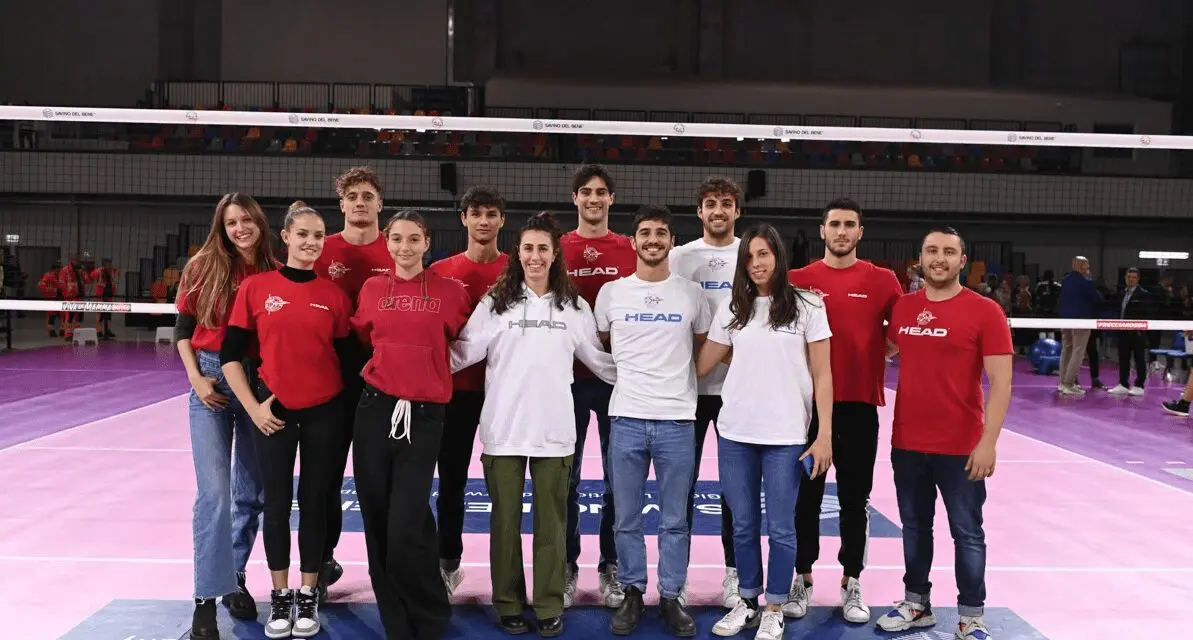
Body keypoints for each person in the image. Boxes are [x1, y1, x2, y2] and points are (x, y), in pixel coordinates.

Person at [450, 212, 617, 637]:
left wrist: (654, 375)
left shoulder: (574, 306)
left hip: (555, 432)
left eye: (543, 248)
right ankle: (507, 602)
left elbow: (600, 363)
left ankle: (546, 604)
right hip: (503, 429)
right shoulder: (495, 303)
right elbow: (462, 353)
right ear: (517, 253)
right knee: (504, 522)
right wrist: (411, 364)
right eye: (528, 248)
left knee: (553, 524)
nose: (535, 256)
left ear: (555, 254)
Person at [220, 202, 354, 639]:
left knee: (314, 502)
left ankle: (309, 594)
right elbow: (229, 357)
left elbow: (345, 357)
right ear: (286, 237)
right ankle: (280, 596)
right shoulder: (257, 288)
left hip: (324, 410)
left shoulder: (335, 296)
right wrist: (254, 408)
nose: (312, 243)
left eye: (318, 236)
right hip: (273, 414)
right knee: (276, 504)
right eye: (303, 235)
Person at [697, 223, 834, 640]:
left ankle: (775, 605)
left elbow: (823, 373)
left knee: (782, 526)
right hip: (736, 431)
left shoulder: (808, 305)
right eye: (750, 257)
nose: (757, 263)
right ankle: (748, 600)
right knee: (741, 524)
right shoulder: (732, 309)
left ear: (777, 257)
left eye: (764, 254)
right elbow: (703, 364)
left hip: (787, 435)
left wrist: (823, 433)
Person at [878, 227, 1012, 640]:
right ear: (919, 258)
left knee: (967, 532)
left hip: (961, 447)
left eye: (948, 252)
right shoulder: (903, 308)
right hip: (908, 443)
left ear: (962, 260)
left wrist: (988, 442)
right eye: (932, 251)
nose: (940, 258)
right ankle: (916, 604)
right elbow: (880, 350)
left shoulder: (985, 311)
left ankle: (971, 614)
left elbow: (1001, 383)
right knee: (915, 527)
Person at [350, 211, 472, 640]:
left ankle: (430, 613)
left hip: (424, 417)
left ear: (427, 243)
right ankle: (395, 618)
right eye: (397, 239)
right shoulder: (372, 288)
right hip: (374, 411)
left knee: (406, 523)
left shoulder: (451, 292)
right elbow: (367, 338)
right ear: (387, 243)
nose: (405, 247)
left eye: (413, 239)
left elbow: (464, 344)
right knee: (377, 518)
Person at [594, 205, 710, 636]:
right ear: (633, 241)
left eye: (661, 233)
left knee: (674, 519)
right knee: (625, 516)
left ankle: (671, 594)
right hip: (625, 418)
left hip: (678, 421)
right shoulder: (612, 293)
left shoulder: (691, 294)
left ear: (671, 242)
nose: (653, 239)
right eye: (645, 232)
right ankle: (632, 592)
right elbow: (603, 341)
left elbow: (702, 345)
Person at [786, 198, 903, 623]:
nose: (841, 231)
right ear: (822, 231)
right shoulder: (797, 280)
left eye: (849, 224)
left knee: (855, 500)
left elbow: (901, 334)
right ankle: (802, 576)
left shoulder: (884, 280)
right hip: (807, 409)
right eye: (834, 224)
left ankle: (852, 580)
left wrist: (877, 353)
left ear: (860, 232)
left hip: (858, 408)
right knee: (806, 499)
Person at [173, 193, 276, 640]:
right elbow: (182, 329)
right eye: (232, 222)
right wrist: (196, 378)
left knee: (250, 494)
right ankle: (204, 600)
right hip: (211, 384)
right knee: (213, 495)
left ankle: (233, 576)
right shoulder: (202, 266)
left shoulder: (274, 268)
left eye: (247, 220)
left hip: (258, 384)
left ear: (260, 223)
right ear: (222, 226)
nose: (240, 228)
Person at [559, 163, 637, 608]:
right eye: (585, 191)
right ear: (575, 199)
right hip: (565, 381)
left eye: (601, 192)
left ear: (611, 199)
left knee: (616, 480)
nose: (593, 198)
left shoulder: (628, 248)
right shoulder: (558, 247)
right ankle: (568, 565)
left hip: (616, 381)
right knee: (564, 480)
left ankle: (609, 566)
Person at [313, 165, 394, 593]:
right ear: (341, 205)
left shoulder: (397, 248)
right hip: (327, 378)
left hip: (383, 381)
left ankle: (385, 569)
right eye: (352, 197)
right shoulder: (320, 250)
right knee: (325, 475)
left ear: (380, 203)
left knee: (380, 479)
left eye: (368, 196)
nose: (360, 203)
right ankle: (322, 563)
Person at [427, 185, 509, 594]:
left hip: (505, 391)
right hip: (455, 392)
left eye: (491, 214)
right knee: (453, 480)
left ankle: (509, 573)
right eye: (475, 213)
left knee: (506, 485)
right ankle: (447, 564)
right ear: (463, 219)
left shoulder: (518, 269)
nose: (483, 221)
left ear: (501, 221)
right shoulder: (440, 271)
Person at [668, 176, 742, 607]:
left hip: (738, 391)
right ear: (699, 211)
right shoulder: (680, 257)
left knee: (736, 489)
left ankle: (734, 574)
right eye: (710, 203)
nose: (718, 210)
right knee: (682, 487)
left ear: (737, 211)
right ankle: (677, 578)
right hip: (689, 391)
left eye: (726, 203)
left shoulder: (751, 254)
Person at [1056, 256, 1104, 396]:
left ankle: (1062, 382)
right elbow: (1098, 299)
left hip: (1064, 320)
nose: (1088, 269)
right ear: (1083, 267)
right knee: (1078, 351)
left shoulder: (1065, 281)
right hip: (1081, 321)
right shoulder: (1086, 282)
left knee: (1066, 349)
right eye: (1087, 266)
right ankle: (1069, 383)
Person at [1109, 267, 1150, 396]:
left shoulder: (1144, 294)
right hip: (1123, 332)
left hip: (1137, 333)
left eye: (1134, 277)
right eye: (1129, 277)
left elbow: (1146, 313)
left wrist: (1140, 329)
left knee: (1139, 359)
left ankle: (1139, 385)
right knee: (1123, 358)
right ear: (1125, 278)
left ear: (1138, 279)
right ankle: (1123, 384)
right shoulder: (1122, 293)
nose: (1131, 279)